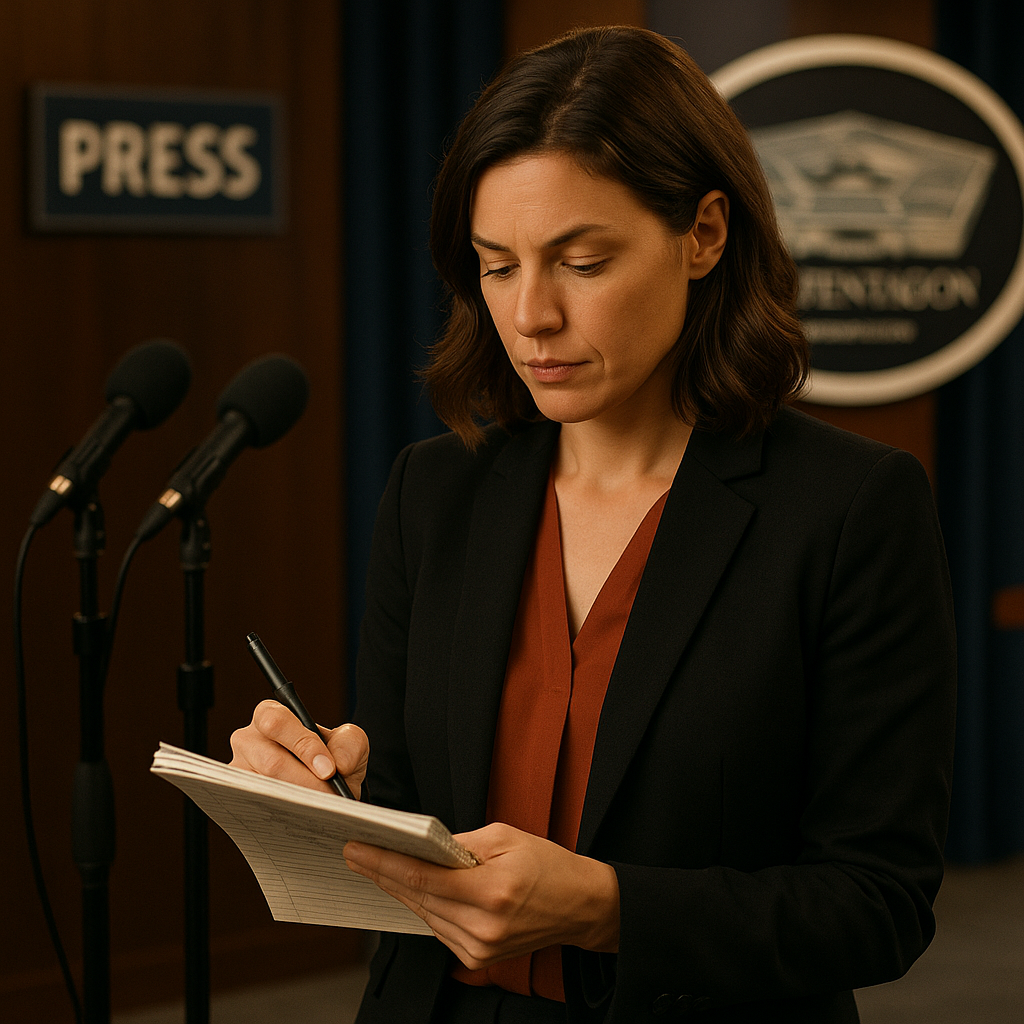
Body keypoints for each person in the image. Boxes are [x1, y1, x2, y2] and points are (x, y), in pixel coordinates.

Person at [229, 25, 956, 1024]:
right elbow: (411, 820)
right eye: (495, 265)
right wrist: (324, 794)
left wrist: (607, 908)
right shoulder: (434, 492)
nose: (529, 314)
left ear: (704, 234)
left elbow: (877, 904)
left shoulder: (847, 508)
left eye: (580, 260)